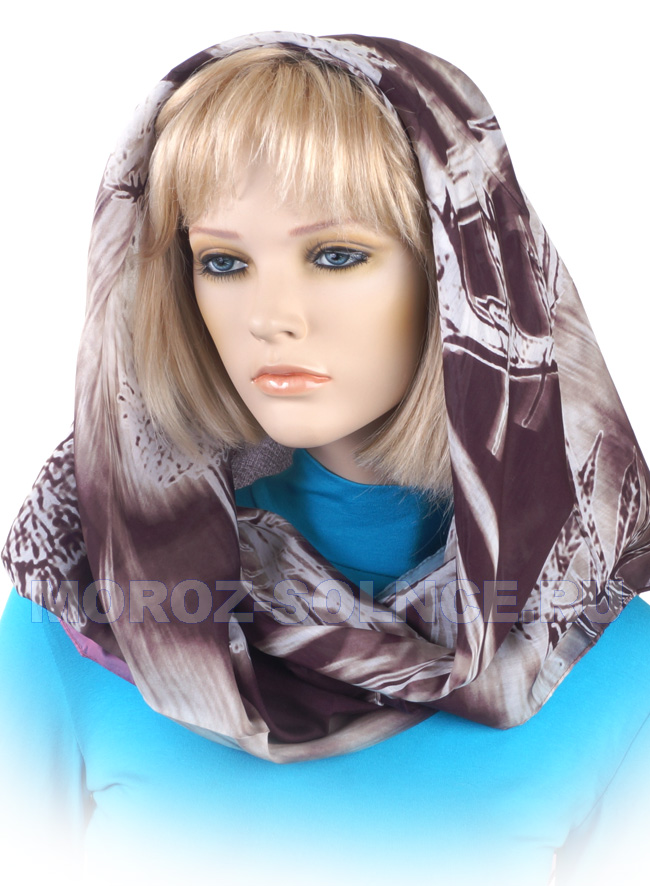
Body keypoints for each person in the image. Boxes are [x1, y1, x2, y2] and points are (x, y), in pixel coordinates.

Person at [1, 32, 649, 886]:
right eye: (224, 261)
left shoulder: (604, 657)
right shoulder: (88, 603)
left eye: (335, 254)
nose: (271, 315)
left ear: (460, 277)